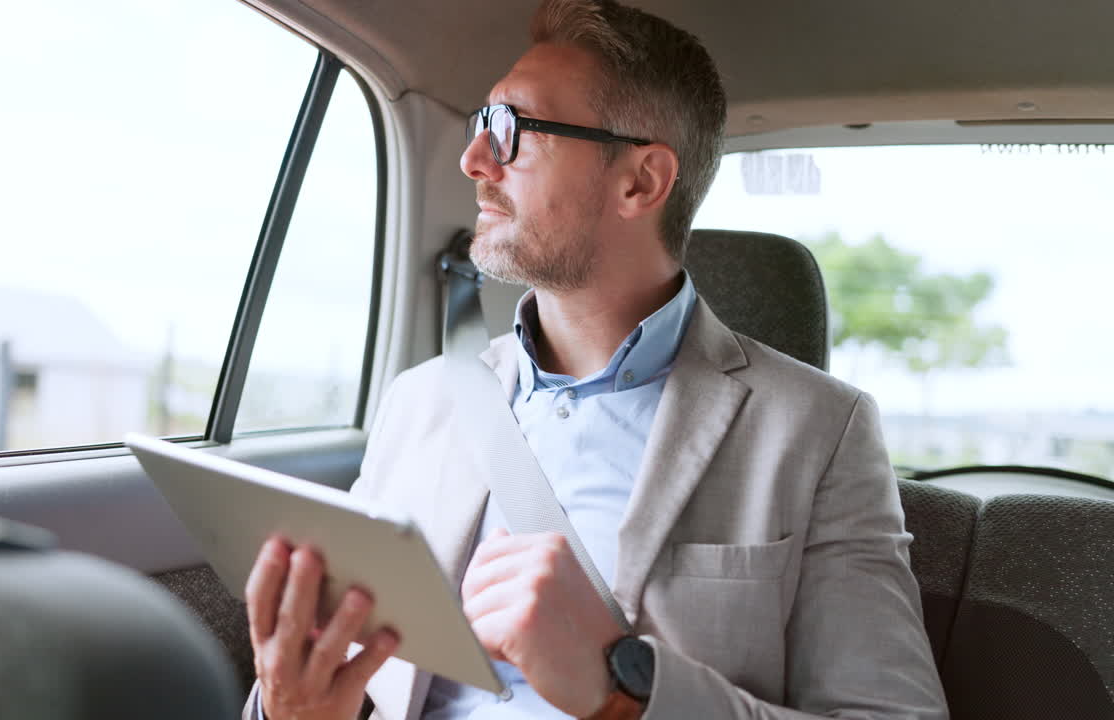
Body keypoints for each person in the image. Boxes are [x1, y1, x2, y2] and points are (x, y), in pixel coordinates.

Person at [242, 1, 949, 718]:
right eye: (481, 123)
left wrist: (623, 684)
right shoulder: (420, 402)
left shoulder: (819, 430)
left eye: (512, 129)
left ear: (640, 182)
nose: (474, 159)